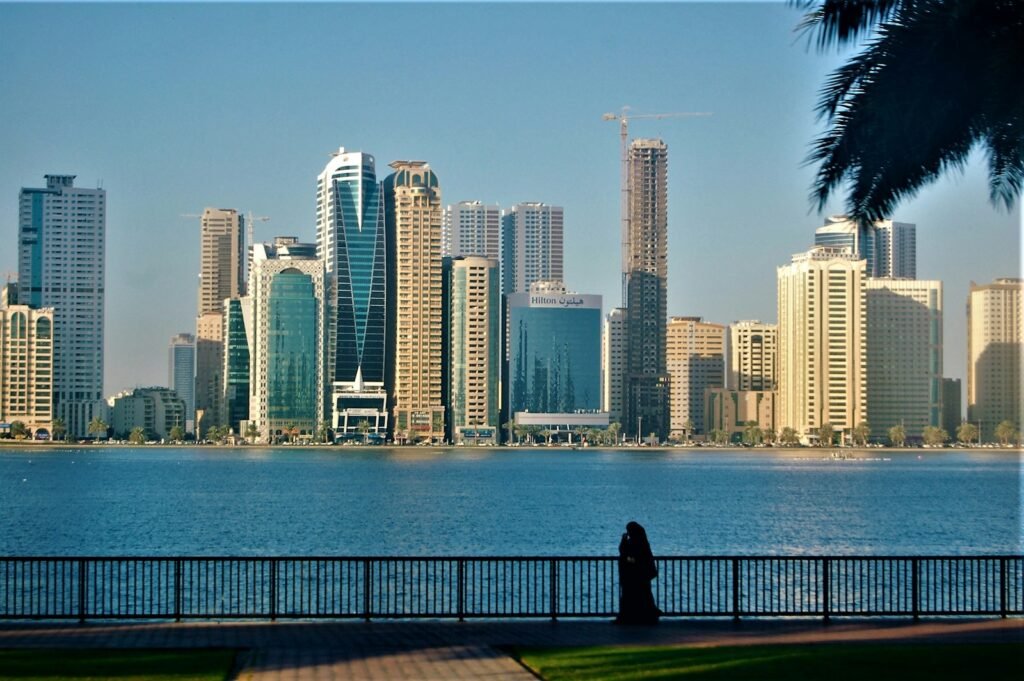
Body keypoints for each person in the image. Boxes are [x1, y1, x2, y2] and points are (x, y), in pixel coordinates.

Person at [615, 521, 661, 624]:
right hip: (639, 575)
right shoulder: (641, 542)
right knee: (642, 596)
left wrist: (627, 559)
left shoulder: (637, 543)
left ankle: (630, 618)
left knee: (633, 596)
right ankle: (644, 617)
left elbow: (633, 558)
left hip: (636, 575)